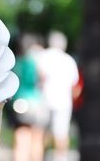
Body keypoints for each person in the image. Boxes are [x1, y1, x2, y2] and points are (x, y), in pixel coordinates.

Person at [36, 31, 79, 161]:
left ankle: (40, 157)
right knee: (62, 133)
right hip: (63, 101)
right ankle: (60, 158)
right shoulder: (69, 60)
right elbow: (75, 84)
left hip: (44, 99)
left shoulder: (43, 56)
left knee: (42, 132)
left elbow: (39, 77)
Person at [7, 34, 48, 161]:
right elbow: (42, 79)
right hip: (35, 102)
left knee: (21, 140)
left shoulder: (15, 63)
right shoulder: (35, 63)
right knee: (37, 140)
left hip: (19, 103)